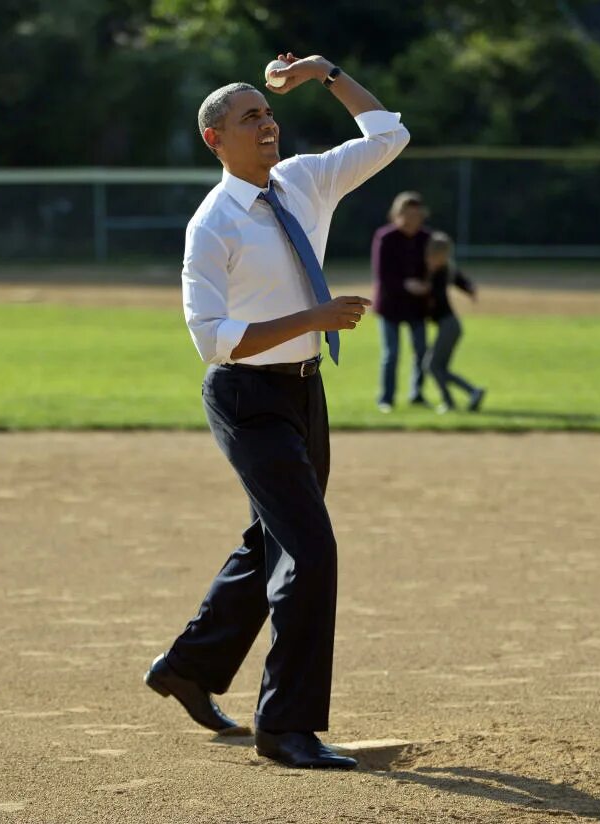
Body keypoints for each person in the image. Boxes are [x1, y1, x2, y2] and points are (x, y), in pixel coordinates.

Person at [144, 52, 408, 771]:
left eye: (268, 111)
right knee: (310, 552)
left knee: (272, 541)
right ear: (215, 140)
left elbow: (388, 137)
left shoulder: (304, 180)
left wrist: (329, 74)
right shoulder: (212, 226)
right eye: (249, 117)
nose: (267, 123)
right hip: (246, 399)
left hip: (301, 390)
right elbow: (213, 341)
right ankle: (285, 729)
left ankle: (191, 667)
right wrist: (312, 315)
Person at [371, 191, 432, 413]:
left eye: (417, 215)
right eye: (408, 214)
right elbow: (382, 275)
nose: (412, 220)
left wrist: (428, 285)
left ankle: (417, 395)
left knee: (422, 352)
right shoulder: (385, 237)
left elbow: (435, 269)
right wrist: (407, 285)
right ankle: (386, 398)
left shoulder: (427, 239)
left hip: (417, 307)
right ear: (397, 214)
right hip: (390, 306)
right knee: (391, 354)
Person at [423, 232, 485, 413]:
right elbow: (460, 279)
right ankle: (473, 392)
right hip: (448, 325)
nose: (437, 260)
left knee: (432, 366)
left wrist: (422, 290)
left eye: (441, 257)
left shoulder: (440, 274)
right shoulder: (437, 271)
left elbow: (439, 292)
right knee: (439, 368)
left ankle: (450, 402)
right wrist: (469, 289)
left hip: (449, 325)